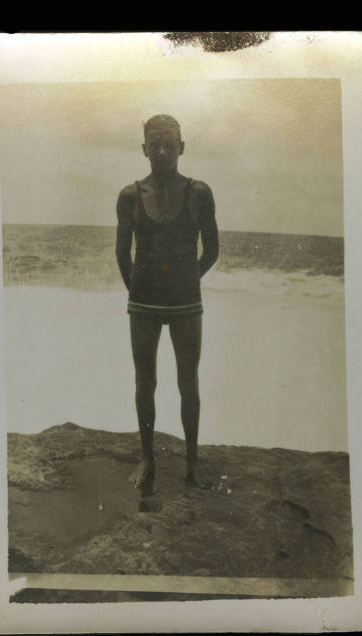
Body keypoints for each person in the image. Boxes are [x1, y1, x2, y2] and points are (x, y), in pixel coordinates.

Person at [116, 115, 219, 491]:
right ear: (144, 149)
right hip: (143, 302)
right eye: (154, 145)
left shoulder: (199, 192)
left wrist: (187, 282)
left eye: (168, 144)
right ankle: (147, 457)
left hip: (185, 303)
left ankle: (192, 460)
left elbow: (212, 250)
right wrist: (138, 292)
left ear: (181, 147)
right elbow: (122, 254)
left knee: (188, 382)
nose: (161, 151)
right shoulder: (130, 195)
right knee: (145, 381)